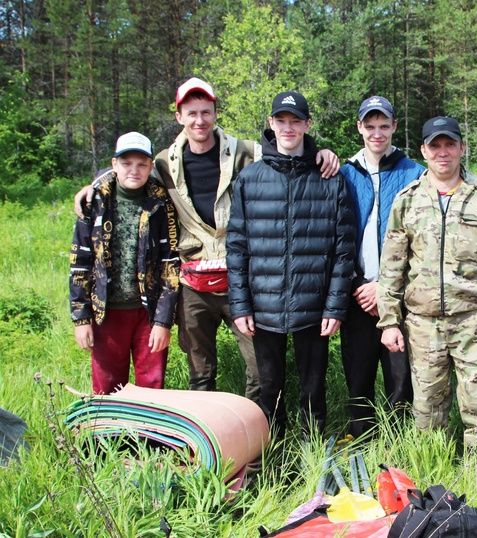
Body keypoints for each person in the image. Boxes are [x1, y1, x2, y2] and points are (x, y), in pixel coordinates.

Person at [73, 77, 339, 403]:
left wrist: (321, 152)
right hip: (193, 279)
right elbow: (129, 171)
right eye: (191, 112)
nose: (199, 120)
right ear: (179, 116)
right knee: (199, 369)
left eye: (206, 112)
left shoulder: (243, 153)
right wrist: (97, 183)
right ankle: (204, 435)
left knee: (259, 368)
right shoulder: (163, 164)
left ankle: (258, 435)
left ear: (215, 113)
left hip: (242, 276)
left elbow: (286, 152)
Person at [376, 116, 477, 447]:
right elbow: (391, 266)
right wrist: (389, 321)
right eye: (435, 146)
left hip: (472, 321)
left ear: (462, 148)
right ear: (424, 151)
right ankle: (435, 474)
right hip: (423, 324)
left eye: (449, 145)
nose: (442, 153)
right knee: (428, 411)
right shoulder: (408, 199)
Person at [226, 91, 355, 439]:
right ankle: (271, 455)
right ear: (270, 124)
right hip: (263, 306)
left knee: (313, 392)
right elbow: (236, 247)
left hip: (314, 308)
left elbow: (344, 250)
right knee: (269, 390)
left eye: (295, 121)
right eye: (281, 120)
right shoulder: (250, 179)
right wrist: (240, 305)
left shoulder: (330, 179)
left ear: (307, 125)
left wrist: (335, 306)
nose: (288, 127)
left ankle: (312, 451)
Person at [70, 132, 181, 394]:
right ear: (114, 164)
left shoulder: (161, 204)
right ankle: (107, 435)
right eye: (127, 163)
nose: (134, 170)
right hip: (106, 311)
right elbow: (80, 264)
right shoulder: (94, 202)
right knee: (106, 385)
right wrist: (81, 318)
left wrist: (163, 321)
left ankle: (147, 436)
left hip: (148, 312)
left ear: (151, 166)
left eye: (142, 164)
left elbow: (170, 264)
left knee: (151, 386)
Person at [340, 96, 425, 438]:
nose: (377, 133)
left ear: (394, 127)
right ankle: (360, 439)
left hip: (399, 295)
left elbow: (422, 241)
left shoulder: (415, 173)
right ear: (360, 127)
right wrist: (357, 283)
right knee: (358, 375)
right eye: (370, 126)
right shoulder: (343, 173)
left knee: (400, 377)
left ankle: (398, 444)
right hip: (357, 293)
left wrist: (387, 288)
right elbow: (337, 235)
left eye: (384, 126)